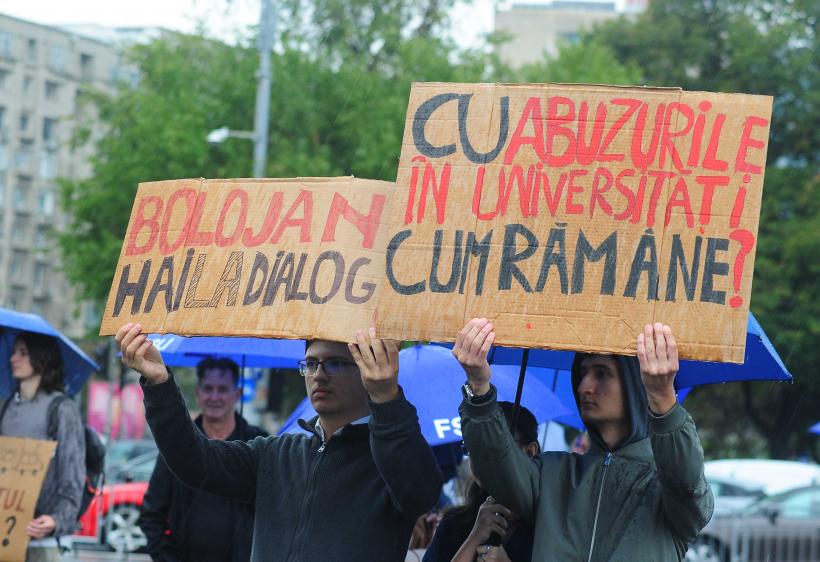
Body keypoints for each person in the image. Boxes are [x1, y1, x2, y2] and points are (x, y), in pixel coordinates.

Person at [116, 323, 443, 562]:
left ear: (367, 370)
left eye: (336, 363)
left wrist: (386, 399)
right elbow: (193, 461)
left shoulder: (391, 459)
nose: (319, 374)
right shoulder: (274, 454)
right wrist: (158, 382)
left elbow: (420, 491)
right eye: (311, 363)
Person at [454, 319, 714, 561]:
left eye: (602, 374)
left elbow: (686, 484)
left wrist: (662, 399)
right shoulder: (551, 474)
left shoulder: (665, 485)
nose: (583, 387)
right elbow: (495, 468)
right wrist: (478, 389)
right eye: (583, 373)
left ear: (636, 383)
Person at [138, 357, 268, 562]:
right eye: (208, 388)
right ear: (198, 394)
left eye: (223, 389)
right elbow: (151, 515)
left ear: (238, 394)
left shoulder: (258, 445)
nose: (214, 396)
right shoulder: (176, 446)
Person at [0, 332, 85, 562]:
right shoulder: (8, 408)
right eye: (14, 351)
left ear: (42, 358)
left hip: (44, 543)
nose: (13, 359)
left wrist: (57, 520)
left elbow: (73, 477)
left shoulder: (62, 410)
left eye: (23, 353)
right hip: (7, 537)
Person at [424, 402, 539, 562]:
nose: (480, 456)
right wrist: (473, 539)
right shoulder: (453, 524)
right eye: (472, 446)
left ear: (529, 452)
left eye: (496, 445)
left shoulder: (550, 530)